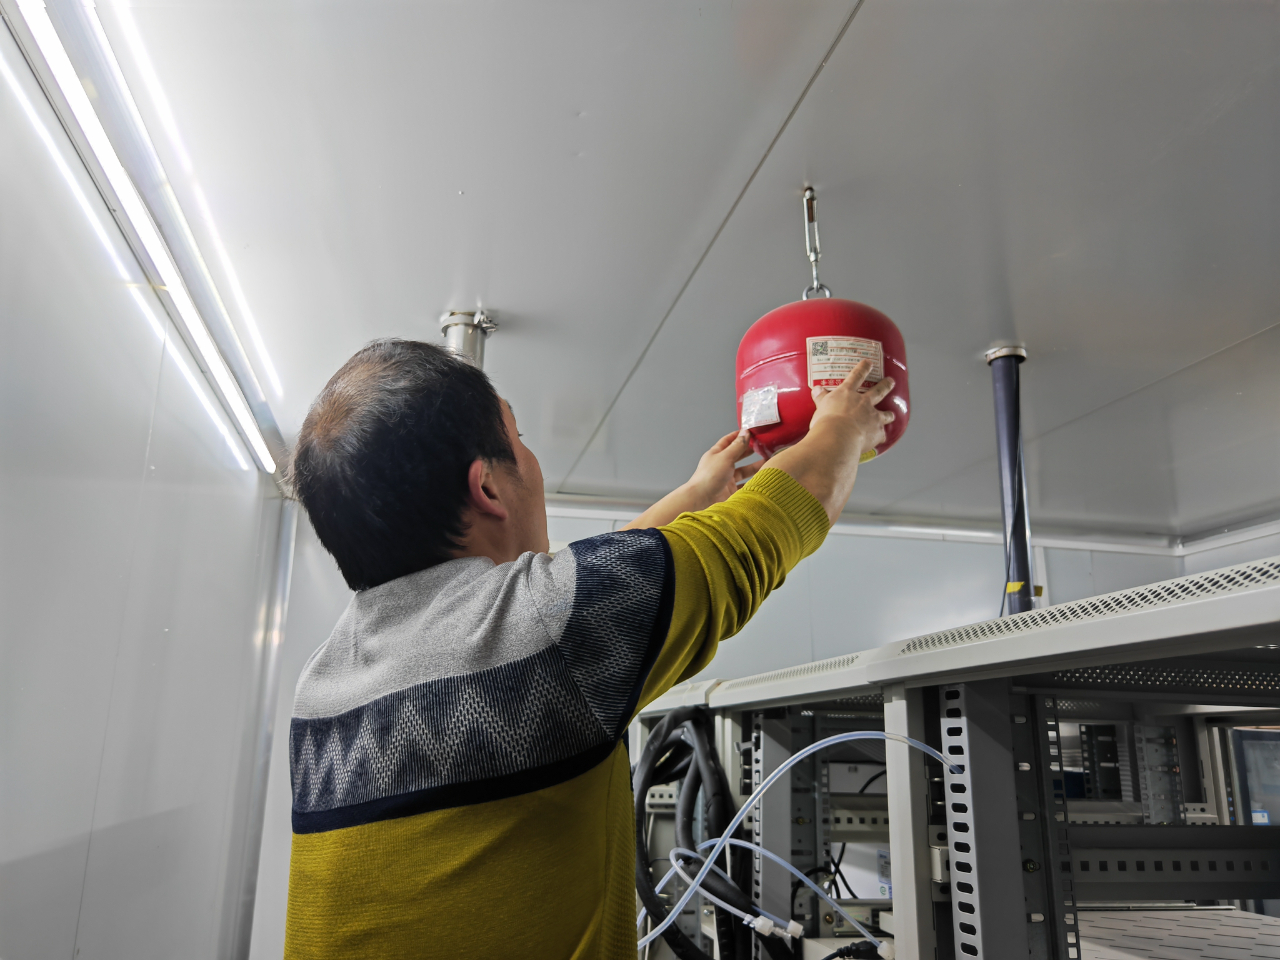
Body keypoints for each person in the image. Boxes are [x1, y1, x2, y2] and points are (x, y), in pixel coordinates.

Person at [282, 338, 895, 959]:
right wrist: (845, 425)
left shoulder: (321, 685)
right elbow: (778, 515)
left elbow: (571, 612)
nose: (531, 460)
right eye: (520, 441)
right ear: (488, 487)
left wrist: (695, 495)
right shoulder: (550, 630)